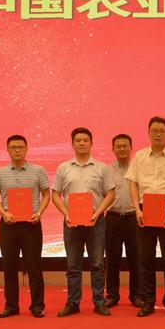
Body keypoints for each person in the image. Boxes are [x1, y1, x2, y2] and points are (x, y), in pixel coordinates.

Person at [51, 127, 114, 317]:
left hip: (96, 221)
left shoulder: (102, 167)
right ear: (72, 144)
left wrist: (98, 213)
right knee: (73, 265)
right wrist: (66, 214)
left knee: (98, 264)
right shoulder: (64, 168)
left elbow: (110, 194)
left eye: (85, 140)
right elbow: (55, 194)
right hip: (71, 222)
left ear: (91, 143)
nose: (82, 143)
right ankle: (73, 302)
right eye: (78, 140)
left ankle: (99, 302)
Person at [126, 116, 165, 317]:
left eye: (162, 131)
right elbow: (132, 183)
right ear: (148, 133)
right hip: (144, 209)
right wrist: (137, 209)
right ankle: (147, 301)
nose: (158, 134)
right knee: (145, 258)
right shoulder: (139, 156)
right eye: (154, 131)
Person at [0, 134, 50, 318]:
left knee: (34, 267)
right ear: (7, 150)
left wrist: (39, 213)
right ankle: (11, 306)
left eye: (21, 147)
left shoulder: (38, 170)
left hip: (32, 224)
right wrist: (4, 213)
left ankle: (37, 305)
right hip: (9, 224)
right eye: (13, 147)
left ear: (26, 149)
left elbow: (46, 195)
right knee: (9, 267)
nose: (17, 150)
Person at [103, 133, 143, 308]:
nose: (122, 149)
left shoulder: (138, 168)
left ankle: (136, 295)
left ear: (131, 148)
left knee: (136, 258)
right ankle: (112, 295)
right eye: (118, 146)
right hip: (113, 218)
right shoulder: (106, 170)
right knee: (112, 259)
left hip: (134, 217)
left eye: (125, 146)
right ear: (113, 149)